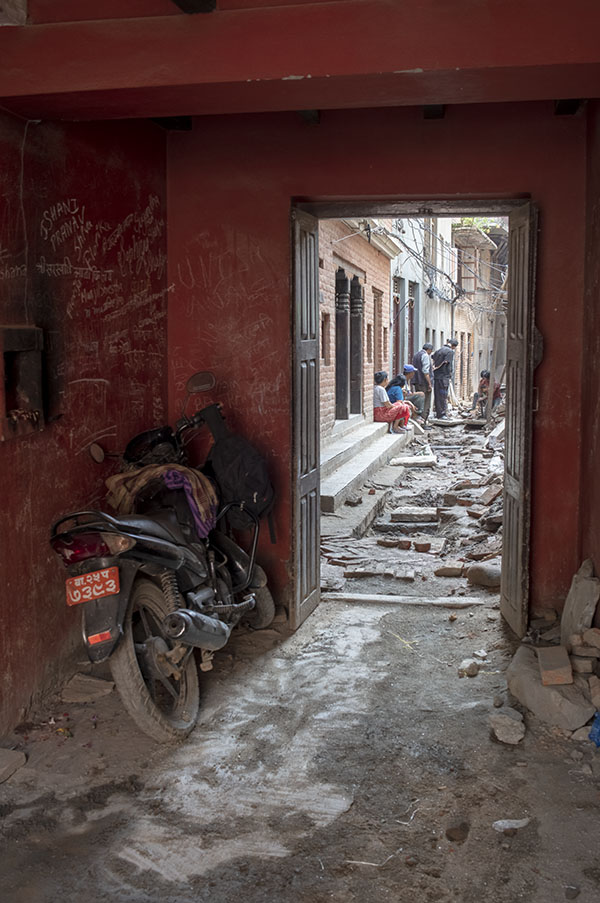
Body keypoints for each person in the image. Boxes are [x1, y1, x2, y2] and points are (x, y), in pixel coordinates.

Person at [432, 338, 458, 419]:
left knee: (437, 395)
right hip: (444, 377)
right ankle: (442, 414)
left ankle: (438, 413)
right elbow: (446, 362)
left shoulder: (439, 350)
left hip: (436, 376)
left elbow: (433, 357)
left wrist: (435, 367)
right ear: (453, 346)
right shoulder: (450, 352)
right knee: (443, 395)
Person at [412, 342, 434, 425]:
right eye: (431, 351)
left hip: (417, 381)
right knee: (425, 403)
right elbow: (425, 371)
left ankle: (418, 420)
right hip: (423, 383)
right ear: (429, 350)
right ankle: (423, 421)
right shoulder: (425, 356)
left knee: (418, 402)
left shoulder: (416, 355)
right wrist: (429, 384)